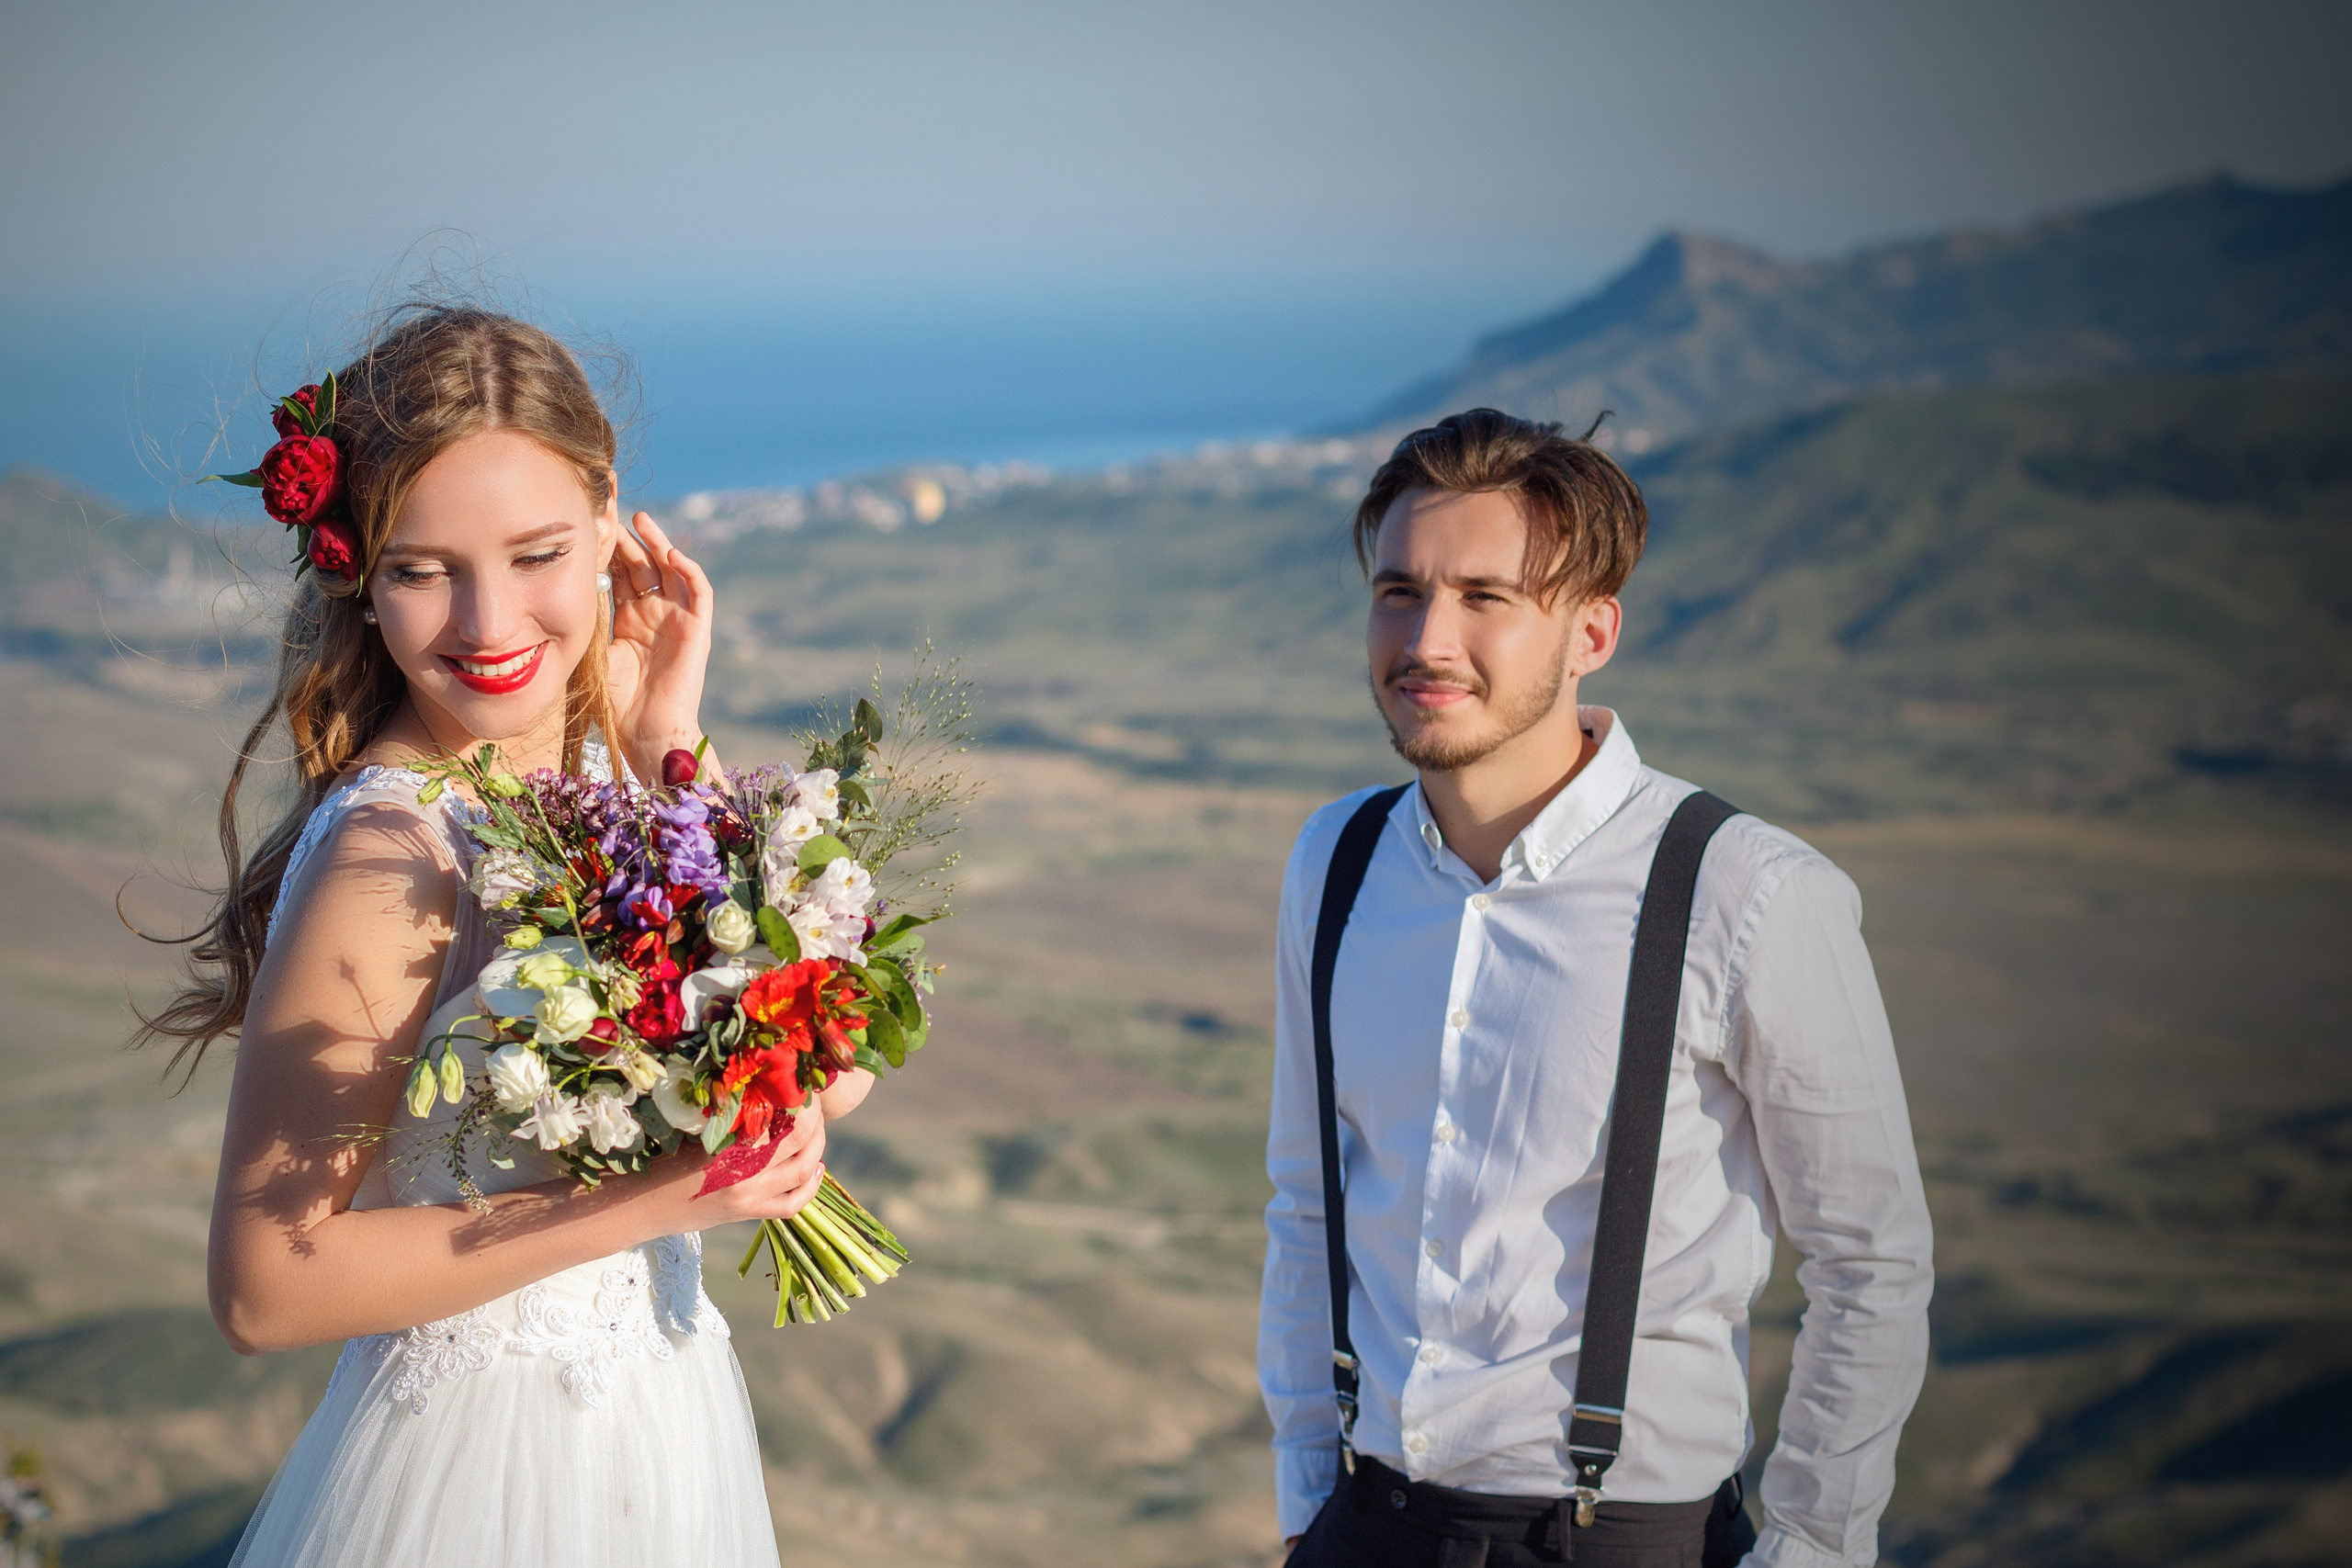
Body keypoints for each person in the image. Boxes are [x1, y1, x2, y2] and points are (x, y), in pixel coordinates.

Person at [135, 305, 866, 1565]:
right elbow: (266, 1283)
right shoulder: (392, 853)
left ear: (608, 517)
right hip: (487, 1474)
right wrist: (658, 1199)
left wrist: (663, 745)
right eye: (422, 568)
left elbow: (828, 1060)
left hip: (658, 1431)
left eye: (534, 552)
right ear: (356, 569)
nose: (485, 620)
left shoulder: (600, 769)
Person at [1259, 410, 1933, 1568]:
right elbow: (1307, 1199)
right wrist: (1307, 1499)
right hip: (1363, 1529)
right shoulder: (1335, 860)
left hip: (1618, 1542)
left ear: (1591, 631)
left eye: (1485, 597)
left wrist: (1812, 1550)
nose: (1427, 637)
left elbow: (1869, 1260)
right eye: (1398, 591)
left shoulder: (1746, 891)